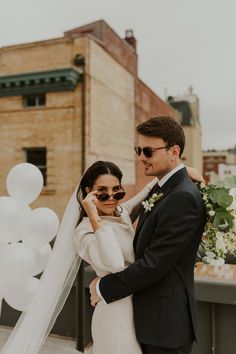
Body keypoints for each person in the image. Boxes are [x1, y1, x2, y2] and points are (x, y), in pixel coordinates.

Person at [89, 117, 206, 354]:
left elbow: (154, 264)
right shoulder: (163, 189)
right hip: (149, 321)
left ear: (174, 151)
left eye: (148, 151)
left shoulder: (182, 197)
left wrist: (103, 286)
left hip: (165, 328)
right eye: (139, 150)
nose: (141, 156)